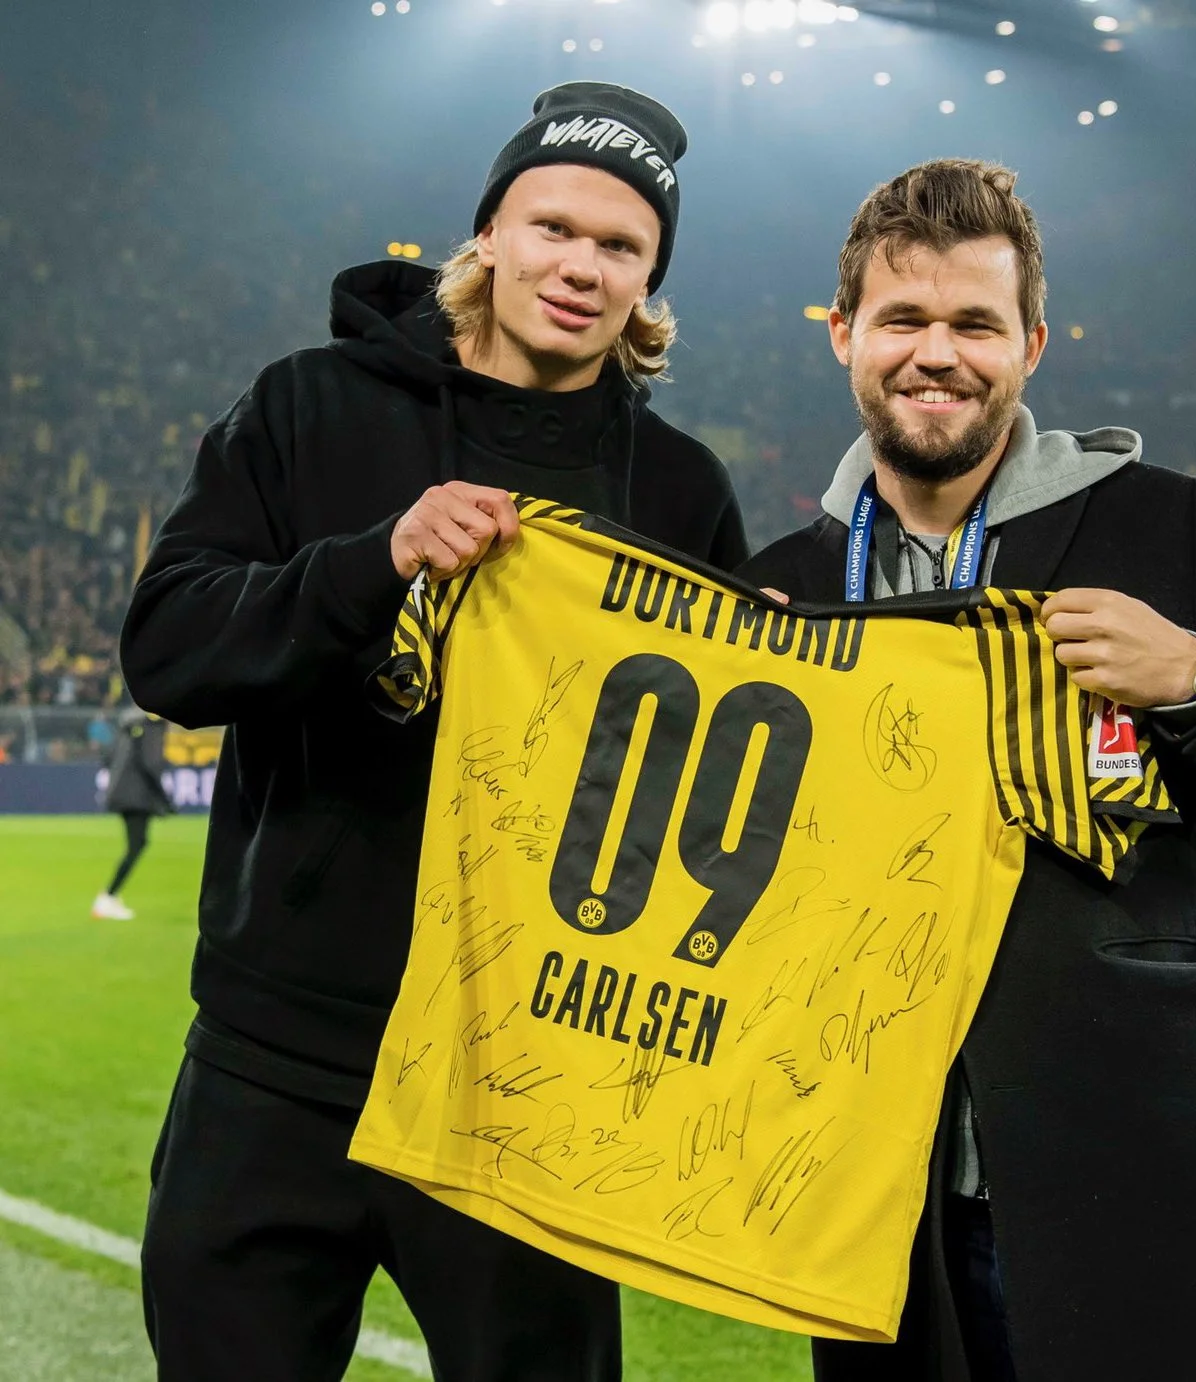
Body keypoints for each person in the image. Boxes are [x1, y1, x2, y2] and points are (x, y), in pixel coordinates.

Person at [120, 81, 746, 1382]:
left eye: (620, 245)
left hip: (526, 1078)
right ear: (489, 233)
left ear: (649, 279)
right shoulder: (308, 406)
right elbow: (168, 645)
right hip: (277, 1056)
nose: (579, 266)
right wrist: (374, 562)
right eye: (551, 226)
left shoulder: (680, 489)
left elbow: (700, 795)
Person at [739, 158, 1196, 1382]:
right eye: (902, 319)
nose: (937, 354)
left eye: (975, 324)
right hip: (884, 1202)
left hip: (1131, 1162)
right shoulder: (784, 585)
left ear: (1029, 345)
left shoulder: (1156, 521)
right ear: (842, 333)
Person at [92, 707, 174, 920]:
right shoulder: (153, 727)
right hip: (136, 796)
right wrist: (165, 800)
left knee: (138, 844)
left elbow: (108, 757)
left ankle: (109, 897)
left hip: (121, 791)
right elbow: (151, 763)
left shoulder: (129, 725)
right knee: (137, 845)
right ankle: (108, 897)